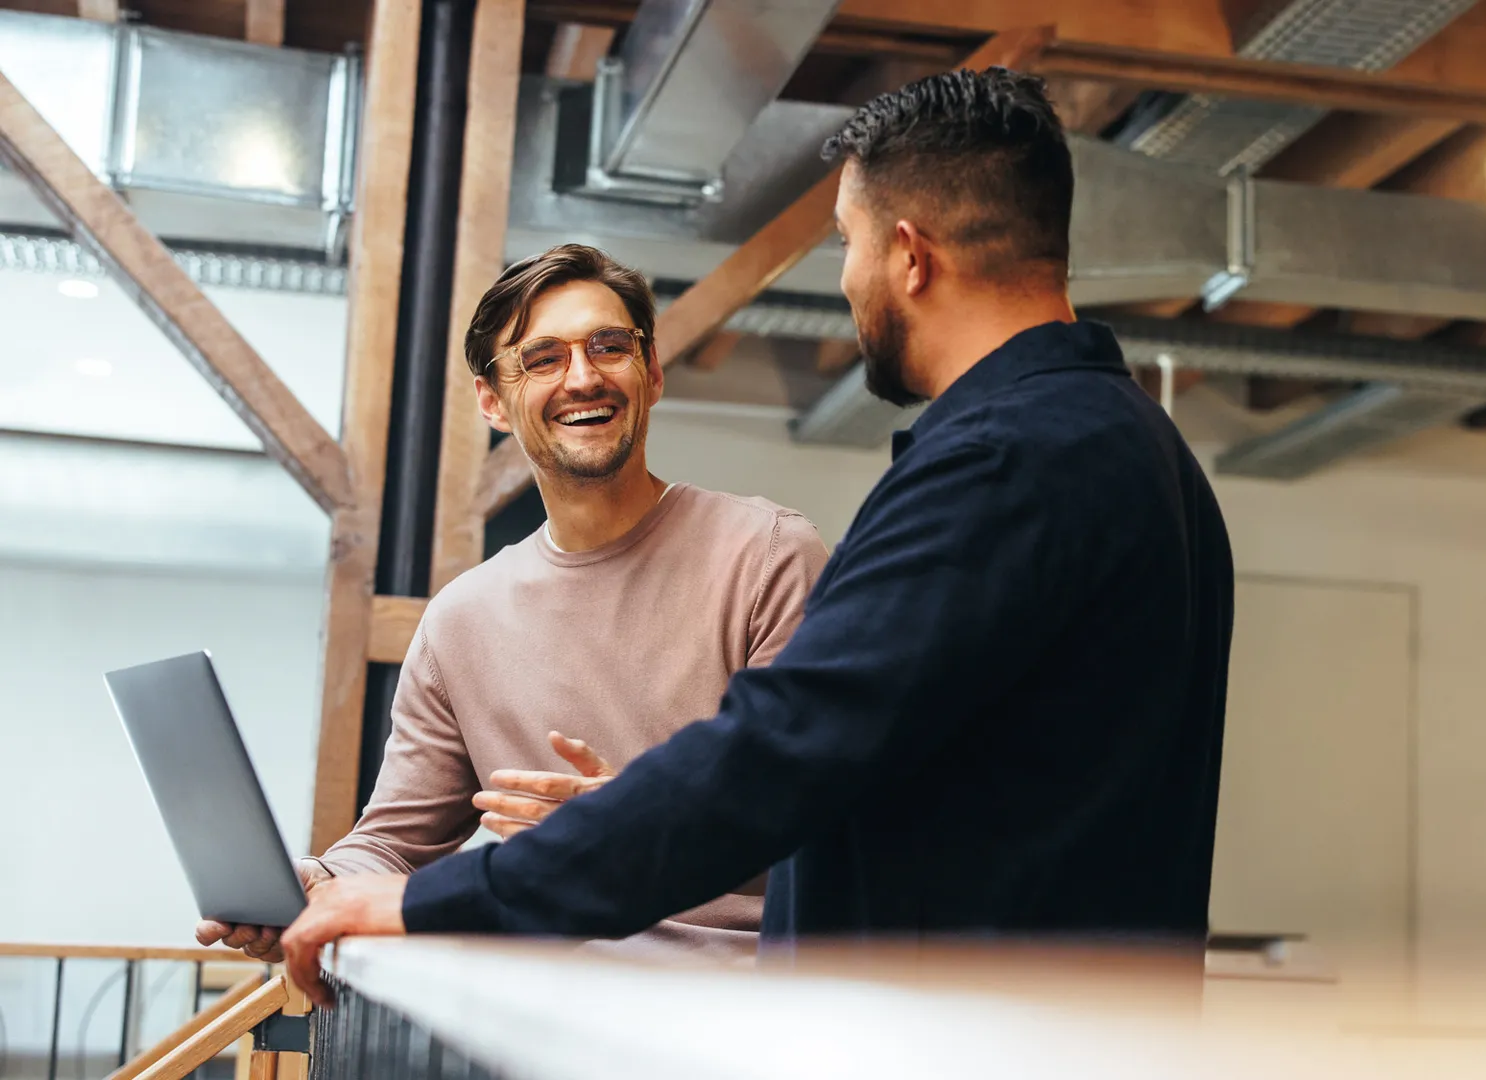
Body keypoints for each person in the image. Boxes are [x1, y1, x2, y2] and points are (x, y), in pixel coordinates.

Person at [282, 67, 1235, 1001]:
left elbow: (778, 759)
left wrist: (450, 897)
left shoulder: (1000, 462)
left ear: (909, 255)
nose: (851, 278)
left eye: (848, 243)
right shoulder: (1139, 450)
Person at [197, 244, 829, 963]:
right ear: (492, 400)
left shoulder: (770, 553)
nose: (584, 377)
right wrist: (320, 882)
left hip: (736, 1007)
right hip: (529, 1011)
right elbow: (395, 844)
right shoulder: (461, 619)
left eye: (610, 346)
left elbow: (817, 805)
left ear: (650, 372)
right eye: (543, 359)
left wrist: (634, 819)